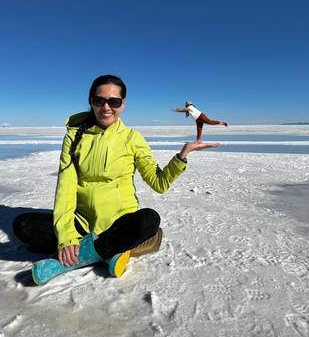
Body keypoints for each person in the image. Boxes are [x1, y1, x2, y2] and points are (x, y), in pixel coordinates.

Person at [14, 75, 220, 282]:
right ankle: (112, 251)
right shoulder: (74, 137)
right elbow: (65, 187)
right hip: (82, 223)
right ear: (91, 102)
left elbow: (159, 183)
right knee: (23, 225)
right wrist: (66, 237)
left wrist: (182, 156)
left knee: (149, 219)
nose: (106, 107)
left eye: (114, 101)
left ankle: (70, 261)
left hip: (120, 223)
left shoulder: (132, 138)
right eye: (99, 100)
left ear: (123, 104)